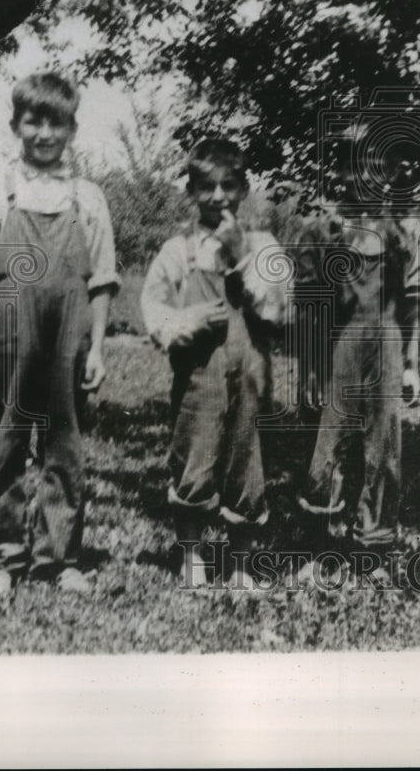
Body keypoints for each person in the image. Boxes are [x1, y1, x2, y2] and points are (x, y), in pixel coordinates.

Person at [0, 72, 119, 595]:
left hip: (66, 342)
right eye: (34, 121)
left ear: (72, 128)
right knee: (5, 444)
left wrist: (96, 347)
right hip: (7, 342)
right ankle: (2, 557)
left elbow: (102, 280)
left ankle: (60, 557)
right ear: (16, 125)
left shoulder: (87, 197)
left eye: (57, 122)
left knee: (63, 447)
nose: (45, 133)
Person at [141, 138, 287, 588]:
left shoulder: (262, 245)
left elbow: (278, 306)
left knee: (246, 459)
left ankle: (241, 562)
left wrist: (241, 252)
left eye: (228, 186)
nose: (218, 197)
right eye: (207, 187)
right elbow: (153, 310)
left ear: (244, 189)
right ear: (190, 191)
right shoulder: (177, 250)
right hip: (199, 375)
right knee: (194, 457)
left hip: (250, 374)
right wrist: (189, 320)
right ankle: (192, 559)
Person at [294, 132, 420, 577]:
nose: (363, 179)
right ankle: (316, 545)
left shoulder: (403, 235)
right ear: (340, 174)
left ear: (390, 175)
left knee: (383, 445)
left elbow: (413, 305)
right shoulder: (325, 232)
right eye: (353, 169)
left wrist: (412, 365)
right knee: (328, 443)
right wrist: (311, 370)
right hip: (341, 347)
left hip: (388, 346)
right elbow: (311, 309)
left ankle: (371, 547)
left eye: (375, 169)